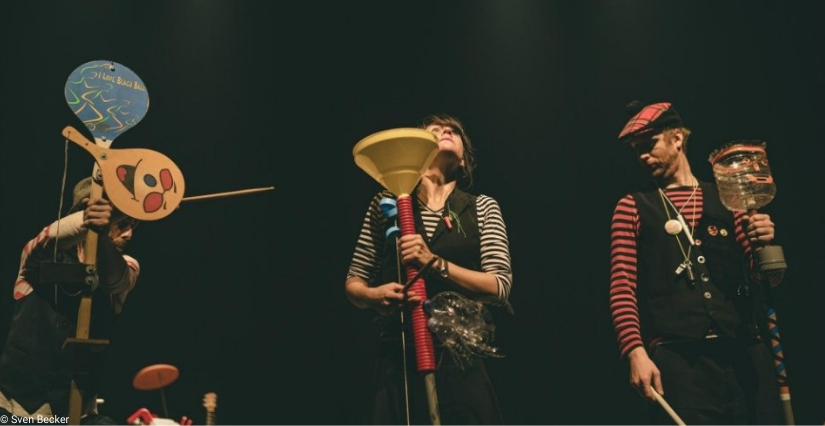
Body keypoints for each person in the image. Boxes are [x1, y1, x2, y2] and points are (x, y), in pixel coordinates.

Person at [609, 101, 785, 424]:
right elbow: (622, 287)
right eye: (637, 151)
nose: (642, 156)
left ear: (677, 138)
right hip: (680, 360)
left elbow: (765, 280)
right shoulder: (632, 206)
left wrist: (764, 245)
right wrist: (635, 351)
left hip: (743, 351)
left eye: (649, 146)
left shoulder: (727, 198)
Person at [345, 114, 513, 425]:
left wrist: (434, 263)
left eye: (454, 131)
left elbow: (499, 286)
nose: (446, 131)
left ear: (464, 162)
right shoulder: (386, 204)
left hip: (460, 358)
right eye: (434, 130)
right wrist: (373, 296)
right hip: (400, 356)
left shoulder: (482, 207)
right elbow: (354, 281)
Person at [0, 177, 140, 423]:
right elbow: (45, 240)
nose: (128, 234)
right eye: (122, 223)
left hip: (79, 412)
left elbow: (114, 281)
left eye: (132, 225)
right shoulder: (36, 263)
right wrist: (89, 219)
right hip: (20, 410)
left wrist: (104, 231)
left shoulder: (128, 266)